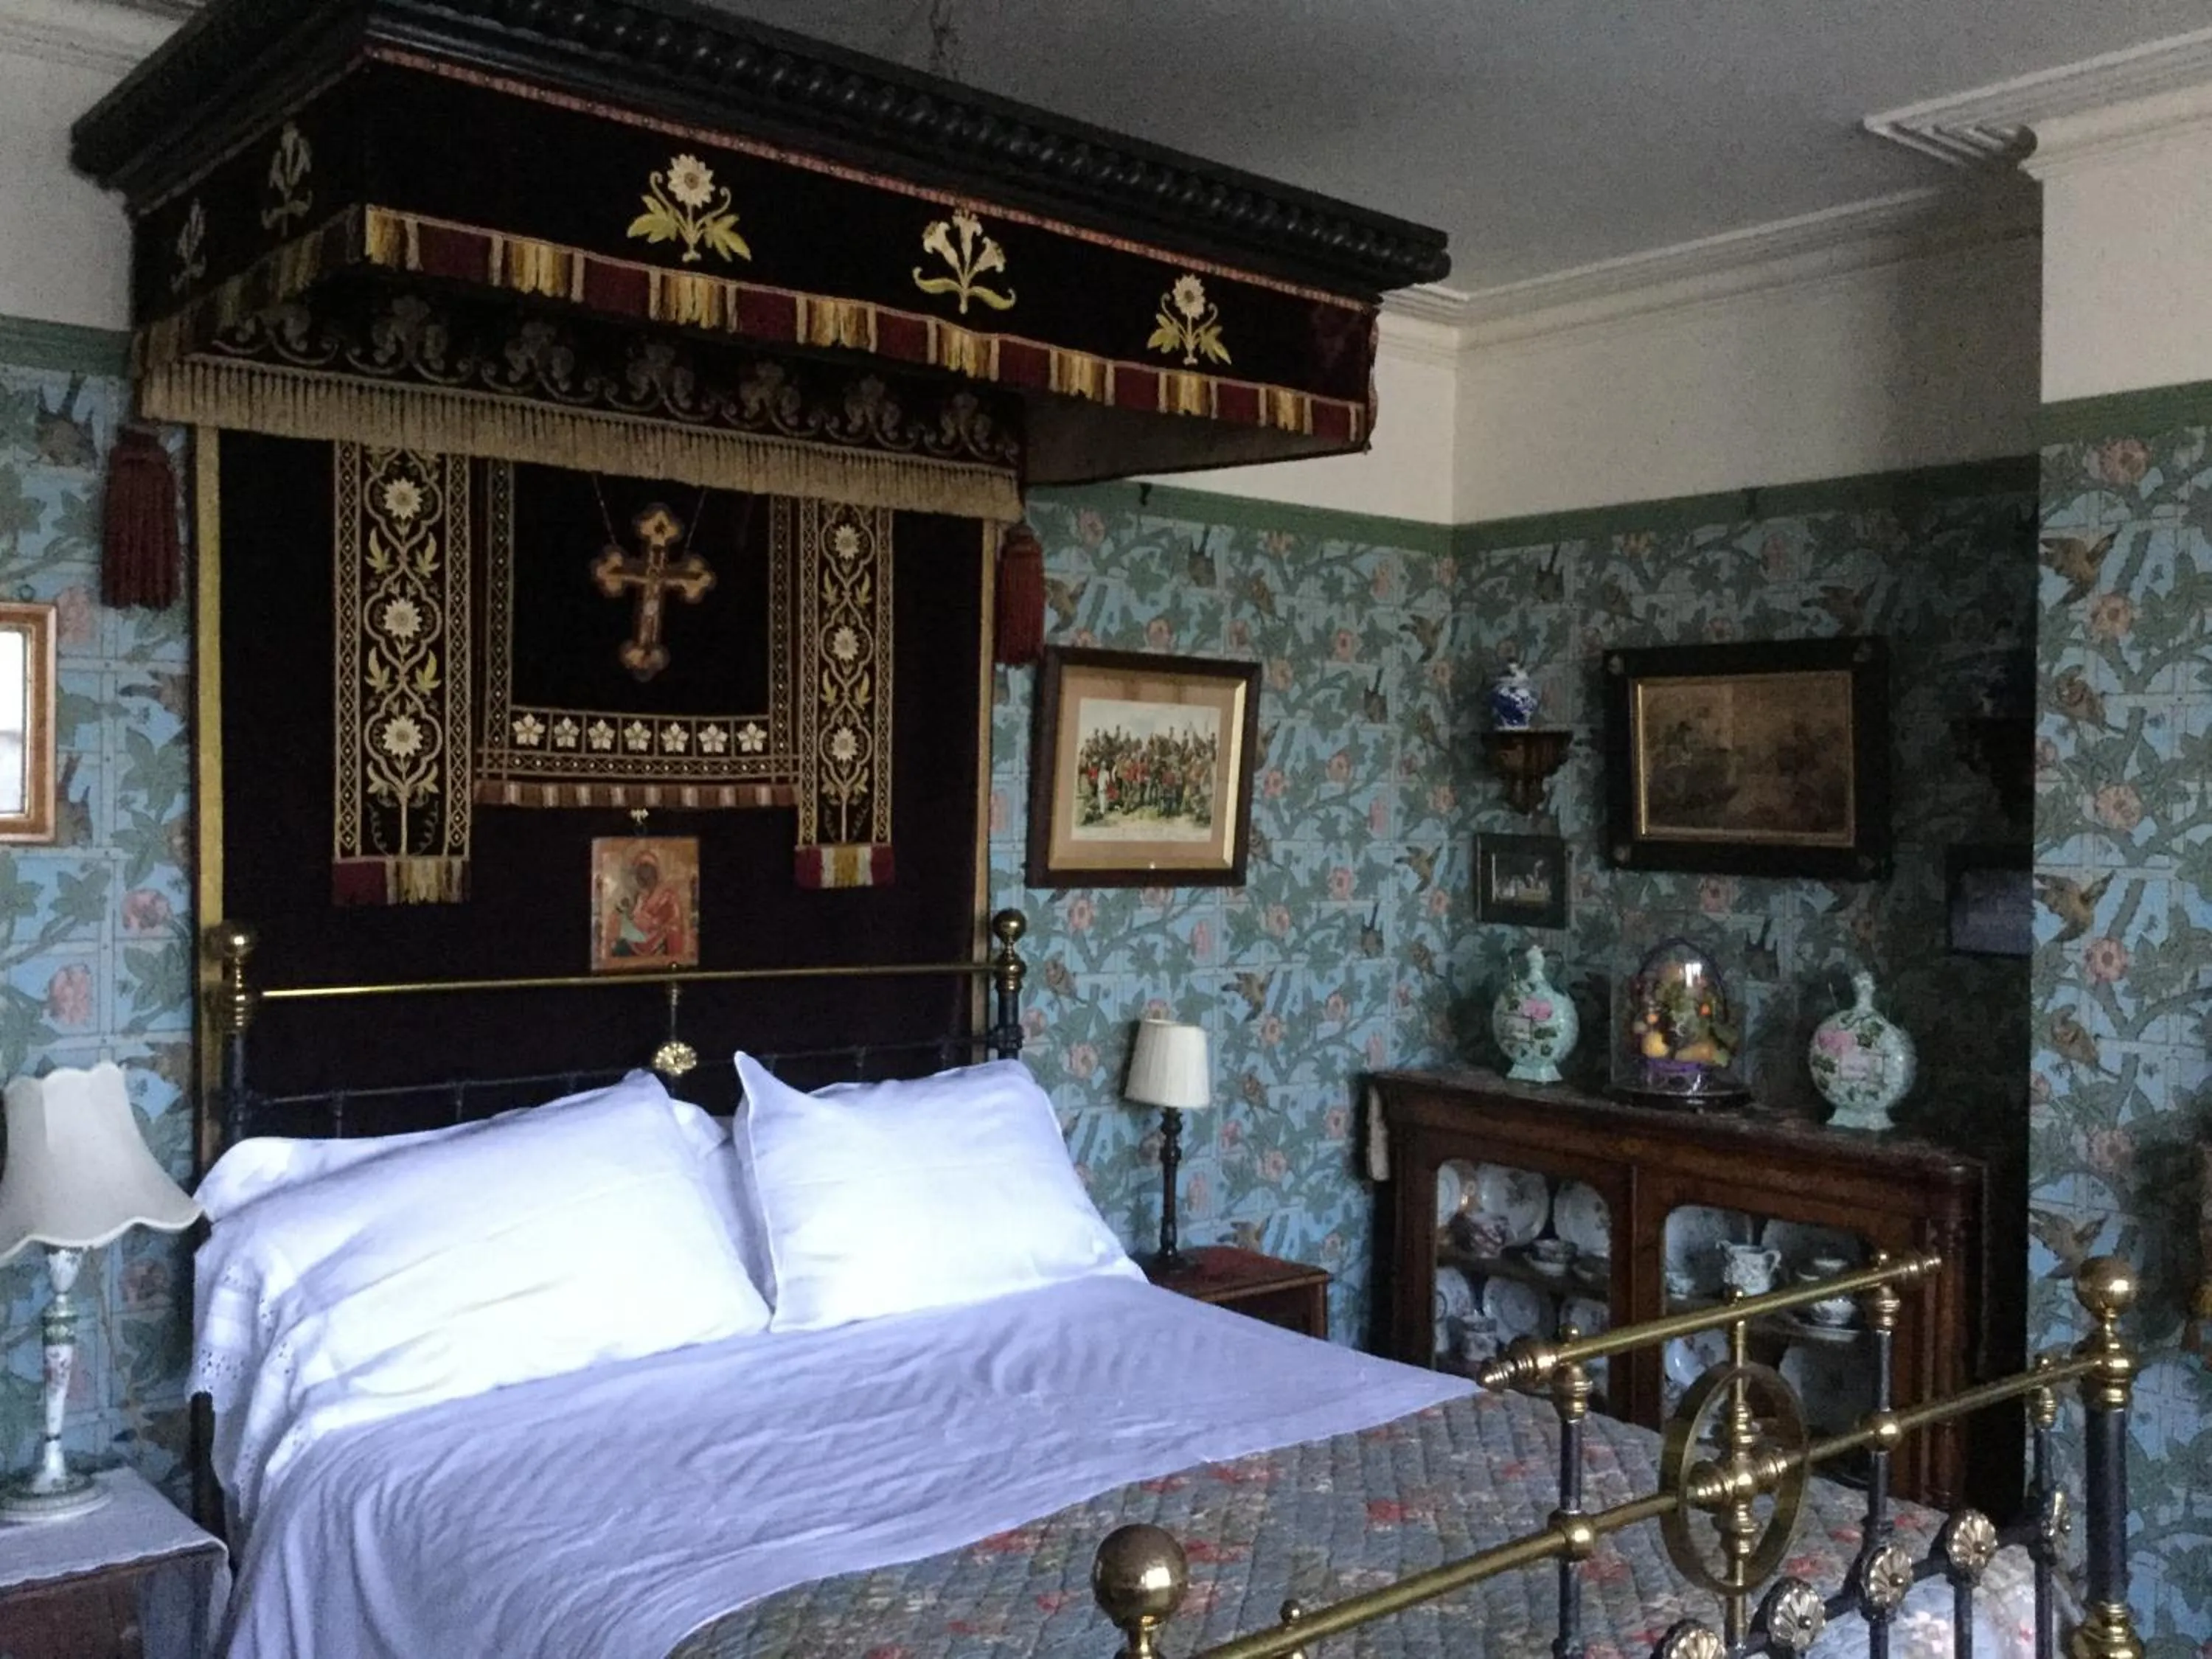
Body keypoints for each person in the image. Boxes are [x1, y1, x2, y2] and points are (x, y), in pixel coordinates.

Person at [608, 848, 688, 959]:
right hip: (641, 937)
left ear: (654, 873)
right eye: (641, 871)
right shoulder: (641, 896)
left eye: (647, 870)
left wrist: (653, 923)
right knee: (617, 946)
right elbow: (636, 917)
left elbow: (674, 919)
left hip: (660, 936)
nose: (645, 874)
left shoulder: (667, 894)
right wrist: (629, 917)